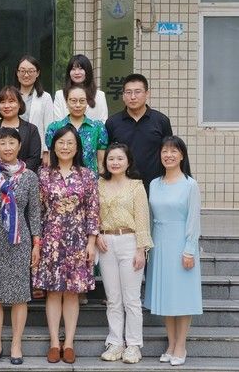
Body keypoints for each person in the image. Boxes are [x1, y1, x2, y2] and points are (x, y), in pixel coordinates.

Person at [32, 125, 99, 365]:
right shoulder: (43, 174)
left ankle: (69, 343)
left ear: (77, 147)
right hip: (51, 239)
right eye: (61, 142)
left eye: (70, 143)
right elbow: (37, 211)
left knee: (72, 293)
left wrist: (91, 242)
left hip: (77, 239)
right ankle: (54, 342)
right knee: (53, 291)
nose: (65, 147)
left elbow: (93, 210)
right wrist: (37, 243)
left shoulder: (87, 175)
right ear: (53, 146)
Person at [0, 127, 41, 365]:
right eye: (2, 143)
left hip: (20, 237)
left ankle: (16, 343)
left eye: (11, 142)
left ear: (19, 146)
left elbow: (34, 212)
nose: (7, 147)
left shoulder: (29, 176)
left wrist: (36, 243)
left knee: (20, 294)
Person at [143, 136, 202, 366]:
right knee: (166, 296)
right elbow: (150, 217)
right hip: (159, 245)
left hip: (181, 244)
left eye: (173, 151)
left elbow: (193, 219)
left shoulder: (190, 185)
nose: (168, 155)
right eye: (165, 151)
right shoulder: (154, 184)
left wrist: (189, 249)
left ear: (182, 155)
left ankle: (181, 346)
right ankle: (170, 343)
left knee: (182, 296)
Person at [96, 143, 153, 364]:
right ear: (105, 162)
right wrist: (97, 234)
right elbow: (93, 214)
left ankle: (134, 345)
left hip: (130, 242)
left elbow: (142, 219)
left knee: (131, 299)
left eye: (120, 158)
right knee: (113, 298)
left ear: (128, 162)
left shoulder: (136, 186)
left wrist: (141, 249)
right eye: (111, 158)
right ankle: (115, 342)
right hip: (106, 243)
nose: (115, 162)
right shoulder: (99, 184)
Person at [105, 73, 173, 192]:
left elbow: (169, 153)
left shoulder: (161, 121)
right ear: (123, 96)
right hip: (122, 189)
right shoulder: (112, 123)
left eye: (137, 92)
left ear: (147, 94)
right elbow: (107, 156)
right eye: (128, 92)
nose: (133, 97)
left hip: (156, 186)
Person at [45, 85, 108, 177]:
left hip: (90, 181)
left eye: (82, 101)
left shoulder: (97, 127)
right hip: (61, 181)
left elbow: (101, 163)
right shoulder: (54, 127)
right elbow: (51, 160)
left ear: (87, 103)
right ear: (66, 103)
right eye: (73, 101)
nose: (78, 105)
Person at [0, 85, 41, 171]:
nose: (6, 106)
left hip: (24, 177)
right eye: (2, 102)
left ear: (19, 104)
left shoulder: (31, 130)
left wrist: (18, 175)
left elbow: (34, 159)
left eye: (11, 101)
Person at [16, 55, 55, 166]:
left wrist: (46, 152)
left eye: (30, 71)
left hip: (36, 150)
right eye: (22, 71)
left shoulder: (45, 97)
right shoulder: (11, 96)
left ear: (37, 73)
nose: (26, 75)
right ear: (17, 73)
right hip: (13, 147)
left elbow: (49, 126)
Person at [53, 54, 108, 122]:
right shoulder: (60, 95)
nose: (76, 72)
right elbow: (58, 122)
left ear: (87, 71)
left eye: (81, 69)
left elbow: (103, 121)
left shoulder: (100, 95)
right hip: (66, 129)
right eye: (73, 69)